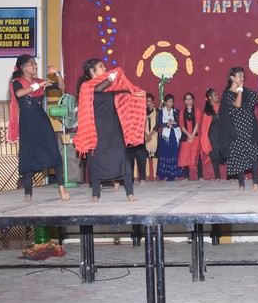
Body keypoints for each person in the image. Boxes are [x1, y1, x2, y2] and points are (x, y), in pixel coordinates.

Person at [75, 59, 145, 202]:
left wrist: (135, 92)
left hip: (114, 130)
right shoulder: (86, 87)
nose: (105, 68)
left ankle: (130, 193)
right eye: (101, 66)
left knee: (122, 159)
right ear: (92, 71)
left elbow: (122, 90)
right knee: (95, 162)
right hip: (95, 132)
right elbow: (98, 89)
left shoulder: (110, 87)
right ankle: (95, 194)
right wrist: (113, 75)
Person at [7, 55, 70, 202]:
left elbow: (62, 87)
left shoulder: (40, 81)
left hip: (41, 119)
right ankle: (28, 192)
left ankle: (62, 188)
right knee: (28, 154)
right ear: (22, 68)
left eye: (35, 64)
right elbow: (19, 93)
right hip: (27, 122)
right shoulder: (17, 82)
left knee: (53, 150)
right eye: (31, 64)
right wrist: (37, 86)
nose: (35, 66)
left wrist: (57, 73)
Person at [219, 67, 258, 192]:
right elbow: (237, 104)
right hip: (235, 130)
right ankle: (241, 184)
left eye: (243, 76)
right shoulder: (227, 94)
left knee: (254, 154)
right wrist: (240, 89)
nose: (242, 78)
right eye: (239, 75)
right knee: (239, 156)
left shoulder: (246, 91)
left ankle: (256, 184)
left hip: (249, 128)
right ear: (232, 77)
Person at [156, 94, 183, 181]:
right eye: (169, 102)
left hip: (174, 135)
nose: (171, 103)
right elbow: (159, 124)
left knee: (174, 154)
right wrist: (167, 125)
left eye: (172, 102)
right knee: (165, 154)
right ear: (165, 102)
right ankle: (165, 175)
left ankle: (175, 174)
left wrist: (173, 124)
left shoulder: (176, 111)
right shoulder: (161, 112)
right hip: (165, 136)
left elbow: (178, 123)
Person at [201, 88, 225, 181]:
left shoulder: (221, 107)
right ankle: (217, 177)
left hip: (222, 135)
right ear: (210, 97)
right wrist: (205, 139)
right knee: (214, 156)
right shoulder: (207, 111)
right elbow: (205, 128)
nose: (217, 96)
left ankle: (231, 176)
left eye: (217, 94)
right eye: (215, 95)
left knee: (226, 154)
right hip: (212, 137)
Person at [178, 92, 203, 181]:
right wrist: (189, 135)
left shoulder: (197, 111)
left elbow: (197, 123)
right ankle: (186, 176)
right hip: (185, 136)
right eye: (186, 99)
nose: (188, 101)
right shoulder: (182, 112)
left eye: (190, 99)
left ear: (193, 101)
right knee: (185, 156)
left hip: (195, 135)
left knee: (197, 156)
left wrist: (192, 135)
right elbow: (181, 125)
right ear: (184, 101)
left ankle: (200, 176)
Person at [144, 93, 159, 180]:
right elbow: (141, 124)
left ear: (153, 102)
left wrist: (151, 135)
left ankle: (154, 176)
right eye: (147, 101)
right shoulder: (142, 111)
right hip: (145, 135)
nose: (149, 103)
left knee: (155, 155)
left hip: (154, 135)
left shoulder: (157, 111)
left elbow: (157, 124)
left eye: (150, 101)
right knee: (146, 155)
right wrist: (146, 135)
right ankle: (147, 175)